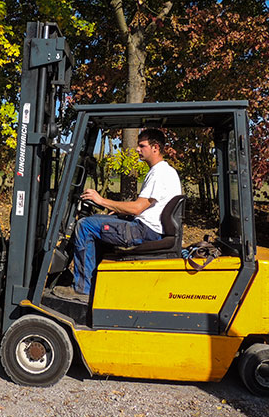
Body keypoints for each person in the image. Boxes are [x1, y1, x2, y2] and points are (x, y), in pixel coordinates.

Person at [53, 128, 182, 302]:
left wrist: (101, 200)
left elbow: (137, 208)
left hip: (144, 232)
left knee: (85, 225)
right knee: (96, 220)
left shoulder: (160, 173)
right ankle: (95, 280)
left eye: (142, 145)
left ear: (155, 148)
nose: (137, 149)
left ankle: (82, 289)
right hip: (147, 227)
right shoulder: (161, 171)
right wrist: (117, 211)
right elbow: (144, 208)